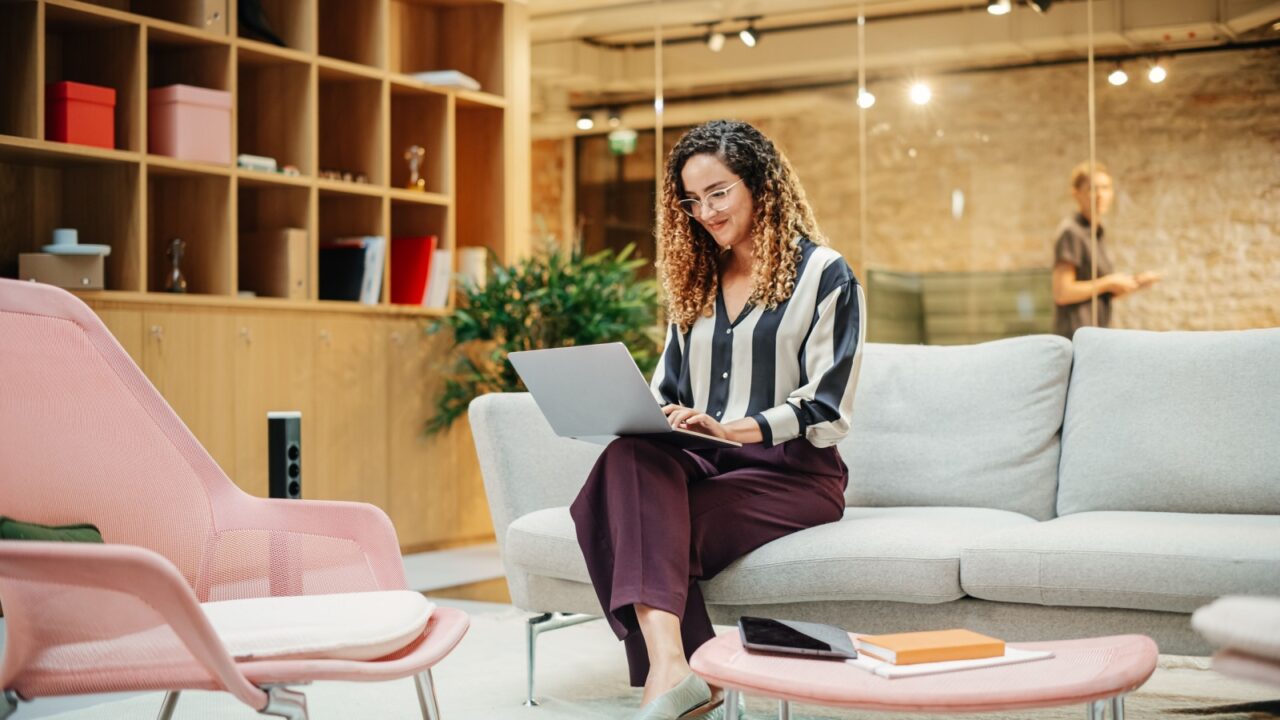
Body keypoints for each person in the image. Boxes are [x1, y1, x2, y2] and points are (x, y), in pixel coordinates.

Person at [569, 120, 866, 720]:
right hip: (705, 464)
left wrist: (734, 429)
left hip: (793, 476)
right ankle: (680, 669)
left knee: (619, 522)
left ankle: (680, 675)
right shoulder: (698, 282)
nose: (705, 211)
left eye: (719, 192)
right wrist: (655, 415)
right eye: (692, 199)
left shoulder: (825, 275)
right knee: (625, 458)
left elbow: (829, 409)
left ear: (760, 185)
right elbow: (666, 390)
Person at [1052, 162, 1160, 338]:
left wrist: (1134, 282)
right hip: (1076, 336)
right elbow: (1062, 292)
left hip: (1095, 334)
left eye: (1105, 188)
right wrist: (1109, 282)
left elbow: (1097, 293)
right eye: (1092, 189)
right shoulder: (1071, 231)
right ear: (1076, 194)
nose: (1100, 195)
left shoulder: (1096, 233)